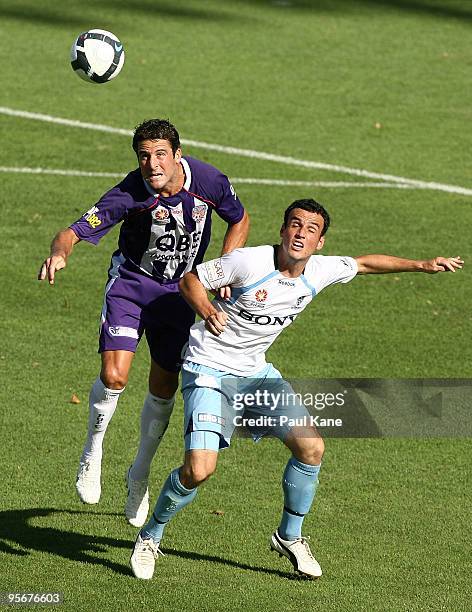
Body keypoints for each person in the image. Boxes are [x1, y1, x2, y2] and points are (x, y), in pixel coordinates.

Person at [128, 198, 463, 580]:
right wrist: (206, 308)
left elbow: (366, 263)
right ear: (283, 229)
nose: (301, 233)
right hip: (209, 370)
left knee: (311, 447)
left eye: (311, 229)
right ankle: (150, 536)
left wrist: (422, 265)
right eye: (295, 225)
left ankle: (289, 536)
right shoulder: (248, 263)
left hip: (256, 374)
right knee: (199, 470)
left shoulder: (320, 271)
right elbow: (191, 280)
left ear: (320, 242)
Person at [38, 118, 249, 527]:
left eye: (160, 155)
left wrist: (224, 268)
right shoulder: (129, 192)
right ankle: (92, 451)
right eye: (144, 156)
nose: (152, 165)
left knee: (163, 389)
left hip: (179, 297)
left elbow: (239, 218)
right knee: (115, 376)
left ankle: (139, 475)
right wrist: (60, 253)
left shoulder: (208, 181)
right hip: (132, 287)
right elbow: (73, 232)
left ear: (177, 156)